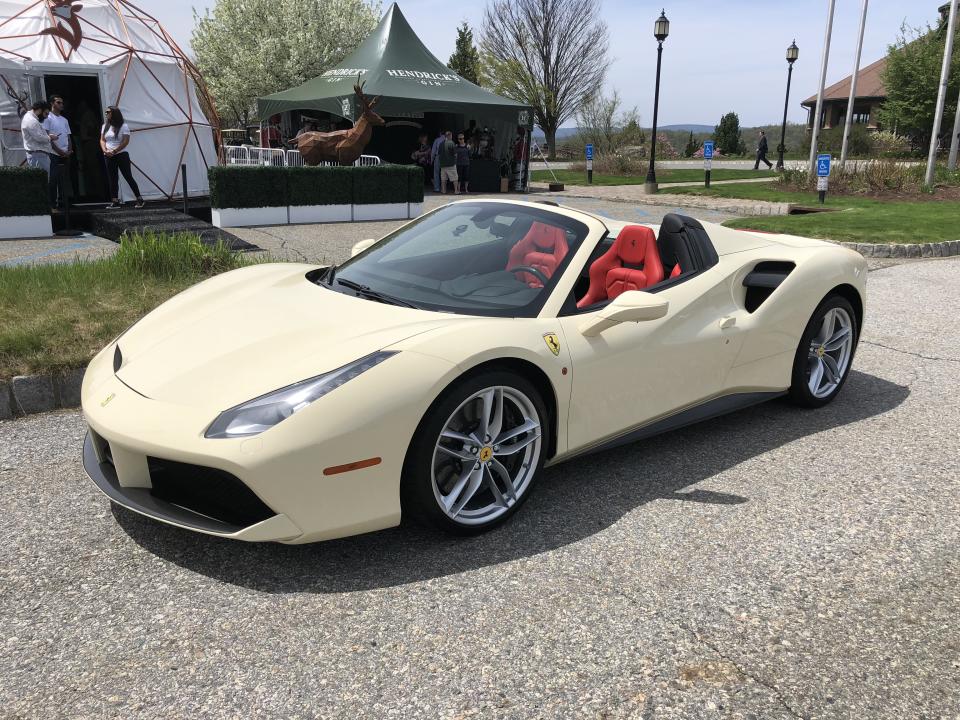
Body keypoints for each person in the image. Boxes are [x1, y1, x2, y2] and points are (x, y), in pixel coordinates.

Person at [100, 106, 144, 209]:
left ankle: (139, 198)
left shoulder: (123, 126)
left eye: (108, 112)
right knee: (113, 178)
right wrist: (105, 150)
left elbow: (125, 141)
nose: (106, 114)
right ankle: (115, 201)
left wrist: (115, 151)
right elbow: (102, 140)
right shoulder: (105, 126)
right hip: (108, 155)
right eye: (106, 112)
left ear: (114, 113)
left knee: (128, 176)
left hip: (121, 154)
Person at [44, 95, 73, 209]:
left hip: (65, 154)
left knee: (64, 179)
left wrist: (69, 150)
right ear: (52, 103)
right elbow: (47, 137)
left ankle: (63, 202)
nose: (61, 104)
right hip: (54, 153)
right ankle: (52, 203)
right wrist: (59, 151)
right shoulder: (48, 118)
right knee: (53, 179)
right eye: (58, 102)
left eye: (62, 102)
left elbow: (68, 136)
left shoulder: (64, 120)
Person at [21, 100, 58, 179]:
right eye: (46, 113)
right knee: (41, 182)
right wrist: (50, 137)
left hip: (38, 155)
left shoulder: (31, 118)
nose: (46, 116)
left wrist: (48, 136)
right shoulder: (31, 121)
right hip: (38, 156)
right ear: (40, 110)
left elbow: (38, 136)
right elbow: (39, 138)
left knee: (41, 182)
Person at [439, 130, 458, 194]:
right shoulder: (452, 143)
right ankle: (456, 191)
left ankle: (443, 191)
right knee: (455, 178)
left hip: (443, 164)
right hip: (451, 164)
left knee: (443, 179)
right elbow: (455, 154)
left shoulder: (441, 144)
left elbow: (439, 154)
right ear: (450, 136)